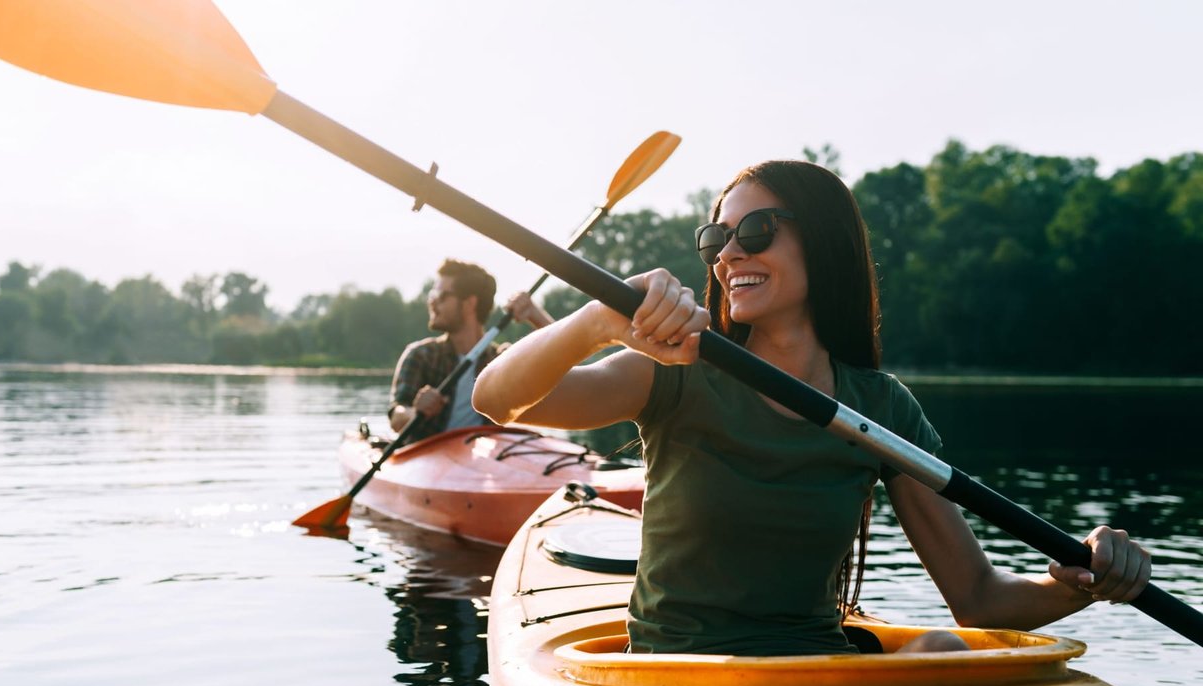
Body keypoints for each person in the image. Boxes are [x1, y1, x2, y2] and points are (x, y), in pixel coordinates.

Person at [472, 160, 1151, 656]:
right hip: (676, 678)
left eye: (757, 230)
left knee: (942, 647)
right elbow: (496, 399)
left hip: (817, 673)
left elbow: (977, 598)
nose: (730, 253)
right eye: (717, 241)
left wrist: (1084, 580)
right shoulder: (675, 371)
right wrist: (596, 321)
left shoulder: (882, 409)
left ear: (822, 242)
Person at [389, 258, 552, 444]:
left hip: (482, 461)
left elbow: (563, 360)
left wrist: (534, 314)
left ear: (469, 304)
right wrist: (415, 412)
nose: (432, 303)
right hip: (426, 457)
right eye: (432, 295)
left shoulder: (502, 360)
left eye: (441, 296)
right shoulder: (420, 355)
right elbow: (396, 418)